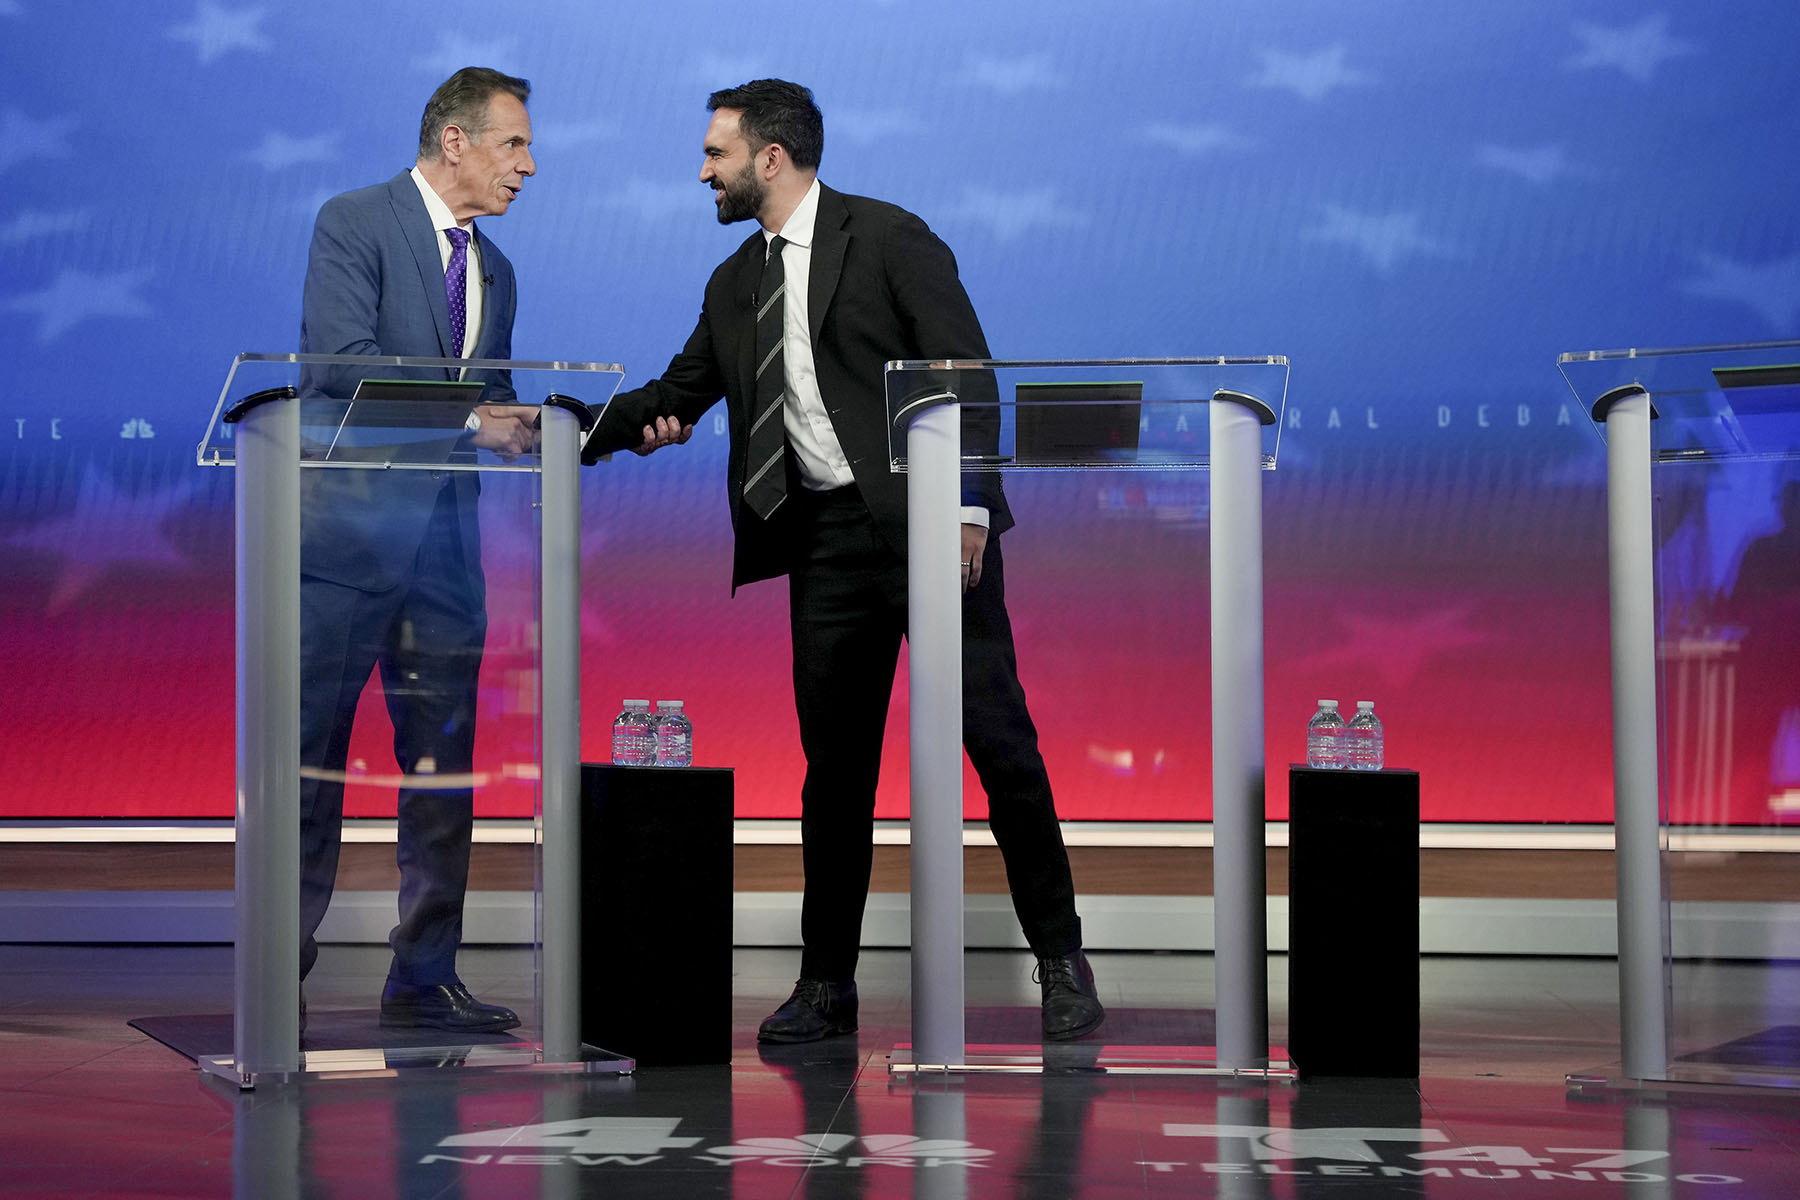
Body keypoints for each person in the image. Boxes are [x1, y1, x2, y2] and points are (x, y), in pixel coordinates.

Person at [585, 79, 1104, 1043]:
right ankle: (827, 983)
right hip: (823, 540)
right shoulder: (735, 280)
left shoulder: (891, 238)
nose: (704, 171)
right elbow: (681, 390)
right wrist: (567, 433)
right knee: (835, 773)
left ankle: (1062, 960)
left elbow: (967, 375)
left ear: (769, 160)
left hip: (932, 532)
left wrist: (970, 513)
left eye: (716, 154)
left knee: (1000, 744)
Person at [296, 67, 537, 1033]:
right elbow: (340, 366)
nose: (528, 163)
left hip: (445, 558)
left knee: (443, 772)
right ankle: (280, 968)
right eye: (513, 144)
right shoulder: (353, 222)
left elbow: (499, 402)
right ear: (455, 141)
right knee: (307, 766)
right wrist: (479, 422)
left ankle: (425, 975)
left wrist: (560, 424)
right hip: (343, 546)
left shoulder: (498, 271)